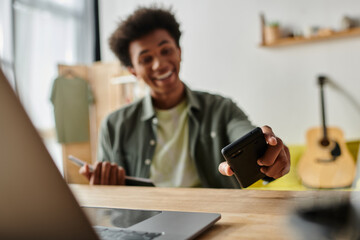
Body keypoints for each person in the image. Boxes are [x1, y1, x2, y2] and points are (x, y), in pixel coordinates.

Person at [80, 6, 290, 188]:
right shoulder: (115, 125)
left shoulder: (222, 108)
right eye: (146, 59)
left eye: (166, 50)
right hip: (147, 221)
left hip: (218, 217)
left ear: (179, 51)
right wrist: (105, 187)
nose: (159, 64)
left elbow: (244, 134)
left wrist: (266, 148)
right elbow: (111, 195)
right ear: (133, 71)